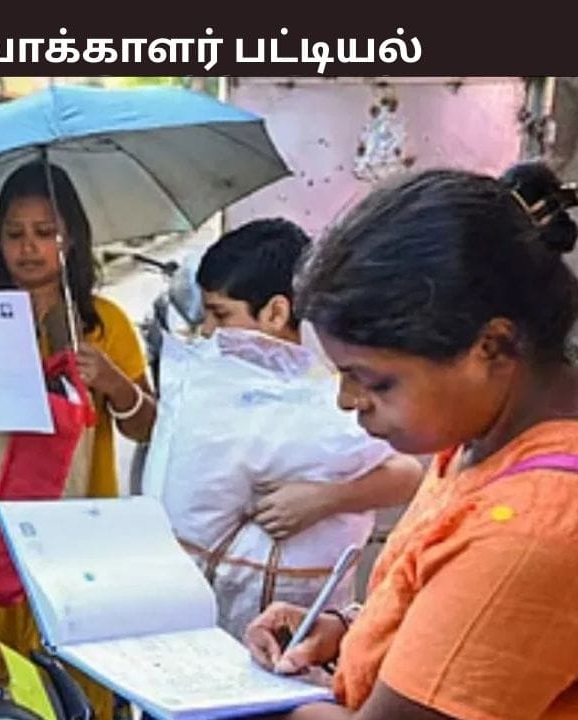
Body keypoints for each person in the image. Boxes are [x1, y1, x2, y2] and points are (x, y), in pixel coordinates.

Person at [244, 164, 578, 720]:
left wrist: (251, 705)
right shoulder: (479, 440)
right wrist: (349, 630)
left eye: (375, 382)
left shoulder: (532, 526)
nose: (347, 401)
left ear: (492, 347)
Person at [0, 160, 155, 720]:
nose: (29, 247)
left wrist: (114, 382)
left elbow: (146, 428)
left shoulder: (104, 321)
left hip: (78, 532)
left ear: (73, 238)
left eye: (46, 232)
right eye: (14, 233)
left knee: (77, 663)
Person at [155, 218, 422, 638]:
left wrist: (324, 499)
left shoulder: (333, 389)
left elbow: (407, 474)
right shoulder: (206, 385)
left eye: (220, 314)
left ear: (276, 313)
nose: (208, 331)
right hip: (193, 615)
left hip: (303, 627)